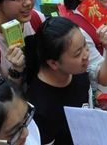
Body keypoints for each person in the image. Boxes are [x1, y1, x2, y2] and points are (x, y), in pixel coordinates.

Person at [24, 16, 93, 145]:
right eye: (78, 53)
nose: (86, 54)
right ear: (53, 63)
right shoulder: (39, 108)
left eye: (85, 45)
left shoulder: (79, 73)